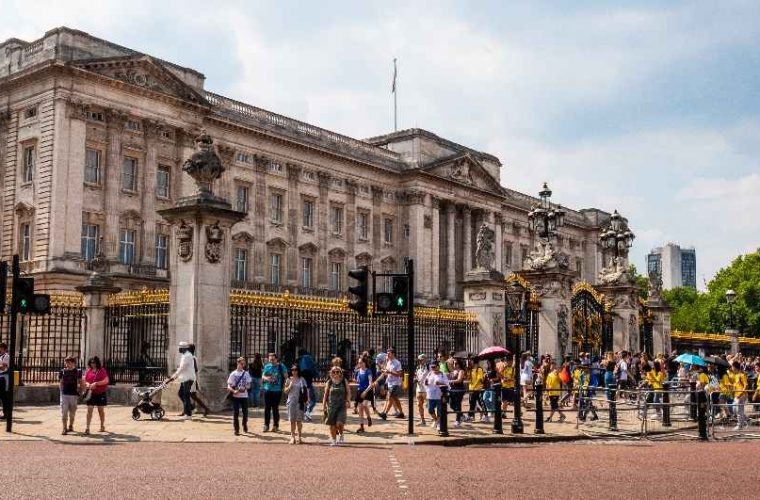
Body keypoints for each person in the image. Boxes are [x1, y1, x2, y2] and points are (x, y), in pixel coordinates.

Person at [323, 366, 350, 446]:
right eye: (334, 372)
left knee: (339, 423)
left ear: (340, 372)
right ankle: (334, 440)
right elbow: (326, 394)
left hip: (341, 406)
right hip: (331, 406)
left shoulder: (344, 381)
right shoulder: (329, 382)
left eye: (337, 371)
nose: (335, 373)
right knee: (332, 424)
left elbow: (348, 392)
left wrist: (348, 401)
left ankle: (341, 434)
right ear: (331, 373)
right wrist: (324, 405)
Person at [169, 341, 196, 420]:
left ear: (183, 348)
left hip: (187, 378)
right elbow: (181, 368)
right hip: (185, 378)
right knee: (181, 394)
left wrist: (173, 377)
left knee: (186, 395)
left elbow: (182, 368)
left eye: (180, 348)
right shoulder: (185, 355)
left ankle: (188, 414)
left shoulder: (187, 356)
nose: (178, 349)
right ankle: (191, 408)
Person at [83, 356, 109, 434]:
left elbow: (106, 380)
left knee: (100, 410)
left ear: (97, 363)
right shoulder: (88, 371)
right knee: (89, 410)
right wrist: (87, 384)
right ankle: (87, 428)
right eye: (91, 362)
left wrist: (96, 383)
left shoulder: (102, 370)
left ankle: (102, 426)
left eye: (94, 362)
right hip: (91, 393)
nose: (92, 364)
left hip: (100, 393)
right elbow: (85, 380)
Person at [262, 352, 287, 432]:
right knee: (267, 408)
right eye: (270, 360)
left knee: (275, 408)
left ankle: (275, 426)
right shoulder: (267, 366)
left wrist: (285, 386)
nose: (271, 361)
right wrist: (267, 378)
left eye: (273, 359)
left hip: (277, 390)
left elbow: (286, 376)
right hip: (267, 389)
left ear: (276, 359)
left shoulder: (281, 366)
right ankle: (266, 425)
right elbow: (263, 376)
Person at [227, 357, 252, 436]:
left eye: (243, 364)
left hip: (244, 396)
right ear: (237, 363)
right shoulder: (233, 374)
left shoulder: (246, 373)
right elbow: (229, 385)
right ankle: (236, 429)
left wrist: (245, 387)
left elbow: (249, 385)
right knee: (236, 413)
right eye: (241, 363)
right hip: (236, 396)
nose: (242, 365)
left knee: (245, 413)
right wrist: (233, 390)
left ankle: (244, 424)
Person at [59, 355, 83, 435]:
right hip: (65, 394)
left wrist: (81, 391)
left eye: (69, 363)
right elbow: (61, 382)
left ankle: (71, 425)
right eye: (66, 363)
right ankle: (64, 428)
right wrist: (61, 392)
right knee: (64, 412)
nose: (67, 364)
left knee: (72, 413)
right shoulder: (62, 371)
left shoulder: (78, 371)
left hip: (74, 394)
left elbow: (80, 382)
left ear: (73, 363)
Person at [377, 348, 404, 420]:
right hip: (389, 383)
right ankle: (401, 413)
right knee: (395, 399)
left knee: (390, 398)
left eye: (389, 353)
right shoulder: (388, 362)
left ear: (393, 354)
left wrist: (390, 372)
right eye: (387, 353)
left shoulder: (397, 363)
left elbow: (399, 374)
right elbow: (386, 372)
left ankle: (384, 414)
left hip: (395, 383)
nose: (387, 355)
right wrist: (385, 371)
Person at [284, 364, 308, 444]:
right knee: (292, 420)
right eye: (292, 370)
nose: (294, 371)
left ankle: (300, 437)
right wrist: (290, 386)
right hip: (291, 402)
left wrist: (306, 400)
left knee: (299, 421)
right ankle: (292, 437)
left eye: (296, 370)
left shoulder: (302, 379)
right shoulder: (288, 380)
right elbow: (285, 391)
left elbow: (305, 391)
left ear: (298, 371)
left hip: (300, 402)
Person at [424, 362, 449, 430]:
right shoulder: (429, 374)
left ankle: (438, 423)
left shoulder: (443, 374)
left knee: (439, 410)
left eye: (434, 367)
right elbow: (426, 383)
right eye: (432, 367)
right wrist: (426, 383)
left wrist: (440, 383)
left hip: (439, 395)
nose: (433, 368)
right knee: (430, 409)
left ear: (438, 366)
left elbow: (447, 384)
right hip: (430, 395)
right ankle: (436, 420)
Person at [188, 344, 210, 417]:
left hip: (191, 379)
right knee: (190, 395)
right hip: (190, 379)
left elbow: (195, 370)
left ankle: (204, 408)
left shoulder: (192, 358)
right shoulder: (191, 358)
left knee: (190, 395)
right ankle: (189, 409)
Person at [296, 349, 318, 421]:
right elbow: (313, 369)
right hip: (308, 382)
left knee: (304, 399)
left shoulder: (299, 360)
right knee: (313, 399)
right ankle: (307, 412)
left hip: (300, 382)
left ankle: (304, 413)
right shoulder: (308, 358)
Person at [354, 357, 373, 433]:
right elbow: (358, 381)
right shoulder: (358, 371)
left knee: (364, 405)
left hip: (367, 390)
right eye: (359, 362)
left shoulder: (368, 371)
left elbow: (370, 384)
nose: (359, 364)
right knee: (360, 409)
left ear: (365, 363)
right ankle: (361, 426)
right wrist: (356, 378)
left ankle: (368, 417)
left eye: (361, 362)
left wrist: (365, 392)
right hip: (360, 390)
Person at [467, 356, 486, 422]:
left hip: (477, 389)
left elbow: (479, 379)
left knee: (481, 403)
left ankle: (485, 416)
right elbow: (469, 379)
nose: (470, 362)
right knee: (472, 403)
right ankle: (471, 416)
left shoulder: (479, 369)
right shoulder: (470, 369)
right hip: (471, 389)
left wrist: (474, 387)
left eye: (471, 361)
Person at [730, 361, 748, 430]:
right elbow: (736, 385)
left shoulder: (742, 375)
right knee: (735, 409)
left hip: (741, 395)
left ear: (735, 367)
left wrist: (740, 394)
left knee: (739, 410)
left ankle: (740, 425)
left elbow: (745, 386)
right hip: (736, 395)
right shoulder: (736, 375)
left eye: (732, 366)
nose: (731, 368)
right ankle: (746, 419)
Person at [448, 359, 465, 427]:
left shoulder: (461, 371)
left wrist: (450, 381)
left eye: (456, 363)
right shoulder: (453, 371)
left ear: (459, 364)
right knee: (451, 404)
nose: (454, 365)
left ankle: (458, 420)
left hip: (459, 389)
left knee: (458, 404)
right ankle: (461, 415)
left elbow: (459, 380)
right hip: (453, 390)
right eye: (454, 363)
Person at [414, 354, 428, 426]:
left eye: (421, 360)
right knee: (419, 405)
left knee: (429, 405)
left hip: (427, 389)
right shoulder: (417, 368)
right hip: (419, 389)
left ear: (425, 359)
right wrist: (415, 379)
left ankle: (435, 419)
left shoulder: (428, 367)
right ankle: (422, 420)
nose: (419, 361)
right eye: (419, 360)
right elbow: (415, 376)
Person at [0, 342, 9, 420]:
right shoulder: (1, 356)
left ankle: (6, 413)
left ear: (4, 348)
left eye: (1, 348)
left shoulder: (6, 356)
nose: (0, 349)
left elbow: (3, 368)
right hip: (1, 377)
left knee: (4, 396)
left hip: (4, 377)